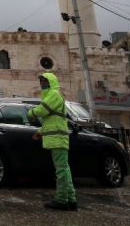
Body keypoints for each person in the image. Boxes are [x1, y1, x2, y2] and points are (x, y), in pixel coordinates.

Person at [27, 72, 77, 211]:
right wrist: (39, 132)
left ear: (51, 82)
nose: (42, 84)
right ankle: (71, 199)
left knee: (62, 170)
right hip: (56, 137)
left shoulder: (54, 94)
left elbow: (43, 110)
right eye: (41, 82)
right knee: (64, 169)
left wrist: (31, 113)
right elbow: (52, 121)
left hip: (58, 138)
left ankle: (62, 200)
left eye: (45, 82)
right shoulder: (52, 95)